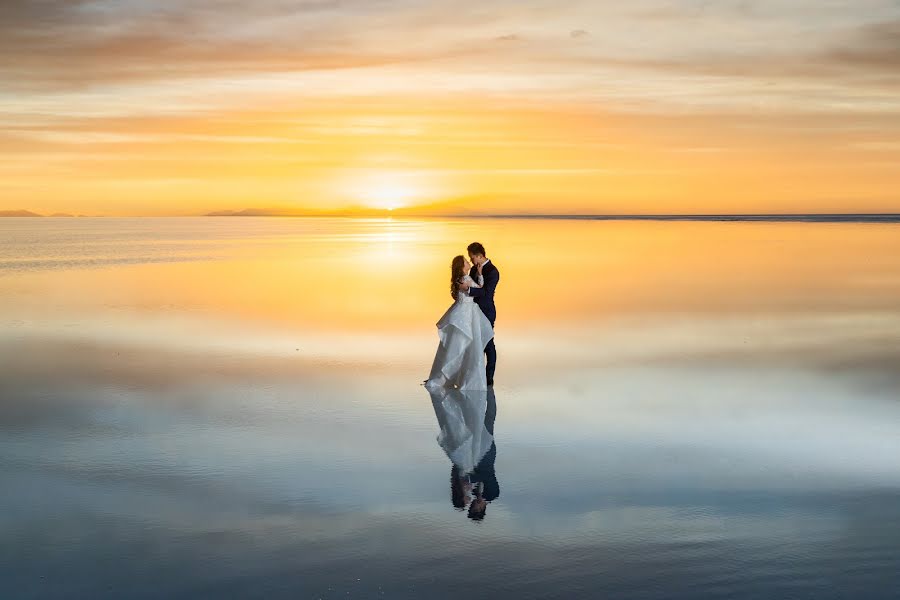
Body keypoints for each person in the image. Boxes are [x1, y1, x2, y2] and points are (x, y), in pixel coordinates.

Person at [425, 255, 494, 390]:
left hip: (464, 312)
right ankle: (463, 377)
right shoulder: (466, 279)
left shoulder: (462, 279)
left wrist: (479, 274)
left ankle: (450, 374)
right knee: (466, 345)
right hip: (467, 314)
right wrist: (480, 275)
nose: (469, 263)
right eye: (466, 262)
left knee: (457, 345)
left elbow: (476, 289)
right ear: (462, 267)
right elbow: (480, 290)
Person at [459, 242, 499, 386]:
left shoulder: (493, 271)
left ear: (479, 256)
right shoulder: (474, 270)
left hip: (487, 311)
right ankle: (477, 374)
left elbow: (486, 293)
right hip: (474, 312)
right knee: (476, 344)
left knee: (488, 343)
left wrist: (467, 290)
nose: (471, 261)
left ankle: (489, 378)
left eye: (472, 258)